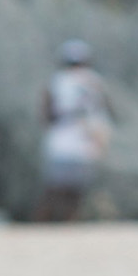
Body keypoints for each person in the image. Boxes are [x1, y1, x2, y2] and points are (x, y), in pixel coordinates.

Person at [34, 40, 111, 222]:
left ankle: (40, 225)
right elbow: (103, 111)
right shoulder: (95, 81)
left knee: (52, 190)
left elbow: (46, 114)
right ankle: (69, 224)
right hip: (85, 141)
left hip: (60, 141)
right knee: (76, 192)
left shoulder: (57, 81)